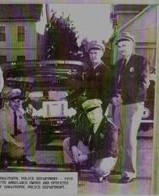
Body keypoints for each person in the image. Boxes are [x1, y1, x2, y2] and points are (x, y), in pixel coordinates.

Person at [111, 32, 150, 183]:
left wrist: (123, 98)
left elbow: (143, 85)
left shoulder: (141, 61)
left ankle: (129, 172)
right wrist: (113, 97)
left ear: (132, 45)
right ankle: (119, 167)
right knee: (118, 137)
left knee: (128, 138)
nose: (121, 49)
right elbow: (113, 85)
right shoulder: (118, 64)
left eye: (124, 45)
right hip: (118, 104)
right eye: (119, 46)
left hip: (133, 104)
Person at [63, 99, 118, 182]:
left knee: (100, 169)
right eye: (88, 114)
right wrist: (73, 147)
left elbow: (110, 151)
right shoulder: (89, 123)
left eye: (93, 113)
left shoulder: (110, 128)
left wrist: (86, 157)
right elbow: (75, 132)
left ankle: (104, 175)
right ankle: (75, 166)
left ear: (101, 112)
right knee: (67, 142)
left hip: (105, 155)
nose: (90, 117)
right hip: (92, 151)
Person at [0, 88, 37, 167]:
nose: (16, 104)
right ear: (8, 101)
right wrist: (17, 143)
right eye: (13, 101)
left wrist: (35, 126)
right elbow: (4, 134)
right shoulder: (2, 113)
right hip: (4, 142)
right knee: (18, 152)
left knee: (32, 135)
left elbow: (25, 128)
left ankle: (22, 158)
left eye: (18, 101)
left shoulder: (18, 113)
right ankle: (4, 156)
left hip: (14, 139)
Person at [85, 40, 111, 112]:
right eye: (91, 53)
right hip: (89, 106)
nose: (93, 56)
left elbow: (106, 93)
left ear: (101, 54)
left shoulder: (106, 70)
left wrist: (101, 110)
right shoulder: (89, 70)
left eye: (95, 53)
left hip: (100, 108)